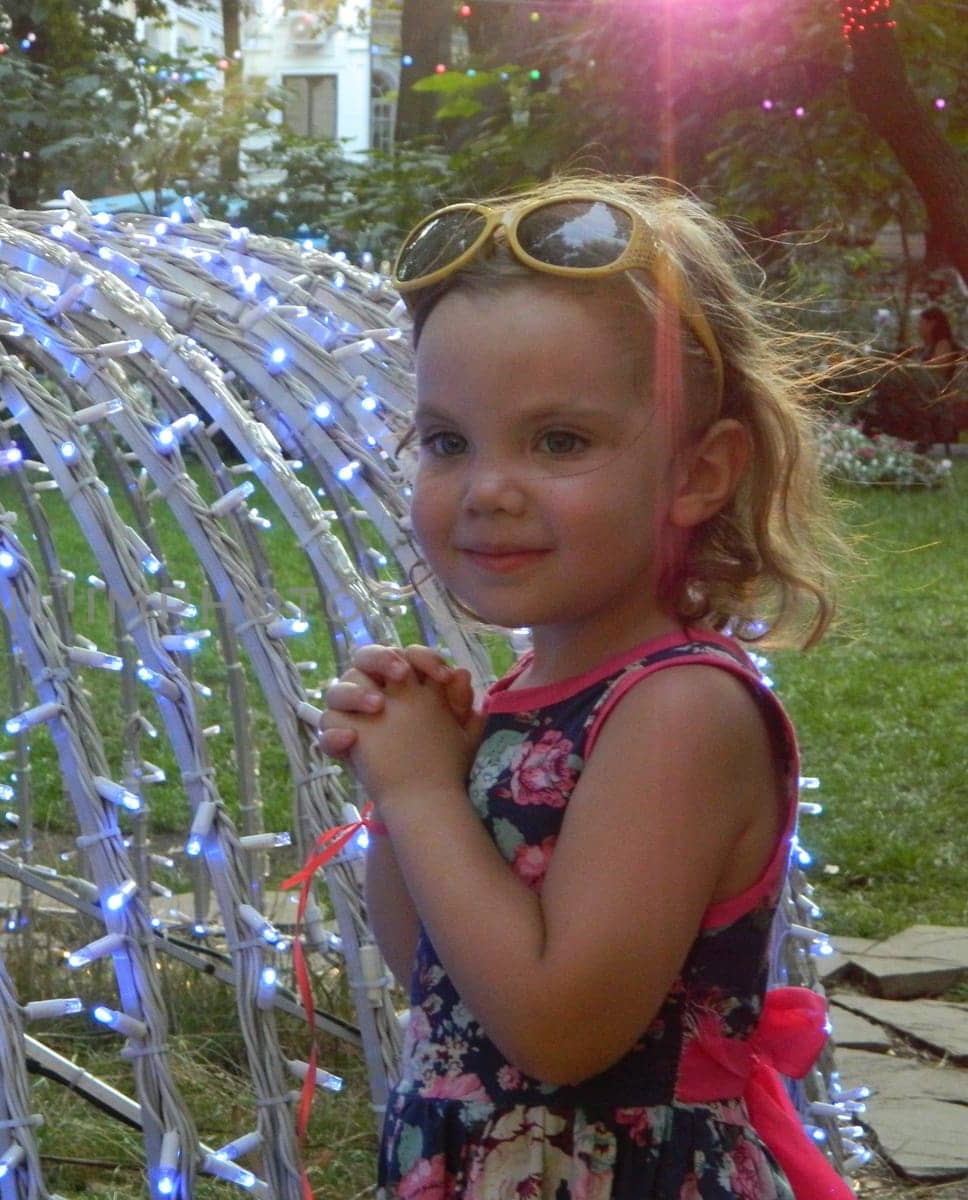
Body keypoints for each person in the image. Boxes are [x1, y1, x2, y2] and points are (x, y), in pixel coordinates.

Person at [316, 176, 851, 1199]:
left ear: (697, 474)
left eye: (558, 441)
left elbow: (560, 1030)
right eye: (446, 442)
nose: (488, 488)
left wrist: (430, 794)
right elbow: (435, 976)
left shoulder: (678, 710)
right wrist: (407, 791)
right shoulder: (536, 696)